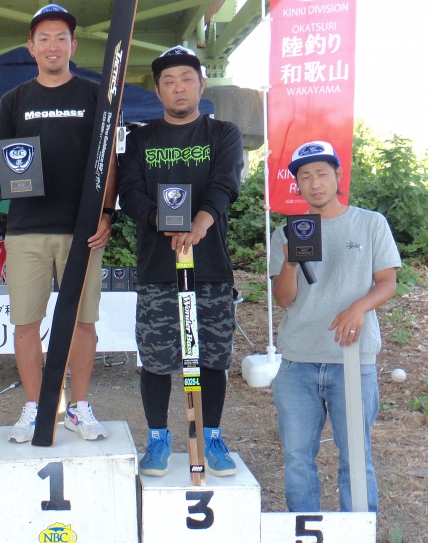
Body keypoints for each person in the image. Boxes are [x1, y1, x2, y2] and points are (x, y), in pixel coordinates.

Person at [118, 46, 243, 477]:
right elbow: (130, 192)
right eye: (169, 81)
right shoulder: (140, 138)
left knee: (212, 357)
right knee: (156, 359)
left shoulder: (222, 133)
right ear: (158, 90)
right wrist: (161, 221)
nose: (178, 87)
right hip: (158, 269)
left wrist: (201, 224)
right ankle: (157, 438)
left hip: (210, 268)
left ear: (201, 84)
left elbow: (225, 184)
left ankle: (211, 437)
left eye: (186, 79)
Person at [0, 4, 118, 443]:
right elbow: (11, 162)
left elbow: (109, 161)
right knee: (26, 324)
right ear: (31, 47)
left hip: (83, 229)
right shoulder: (13, 101)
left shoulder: (94, 96)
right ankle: (36, 405)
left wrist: (107, 213)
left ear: (73, 44)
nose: (52, 45)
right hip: (27, 228)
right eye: (43, 37)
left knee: (84, 323)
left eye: (60, 37)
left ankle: (79, 407)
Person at [269, 141, 400, 512]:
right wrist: (291, 264)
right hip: (298, 360)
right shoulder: (287, 232)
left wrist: (359, 307)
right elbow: (283, 299)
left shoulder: (371, 223)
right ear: (297, 185)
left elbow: (387, 282)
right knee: (297, 457)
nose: (315, 183)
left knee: (356, 456)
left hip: (353, 359)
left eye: (322, 173)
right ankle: (305, 534)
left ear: (338, 175)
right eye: (305, 176)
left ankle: (358, 538)